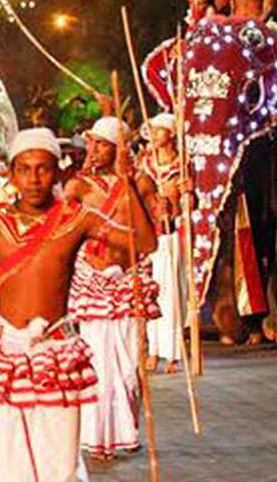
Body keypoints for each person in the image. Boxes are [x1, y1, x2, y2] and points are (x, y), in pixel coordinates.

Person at [0, 127, 155, 482]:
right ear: (11, 174)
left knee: (59, 465)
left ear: (58, 172)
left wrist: (128, 184)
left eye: (43, 169)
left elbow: (145, 244)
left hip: (55, 352)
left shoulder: (77, 218)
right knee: (3, 462)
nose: (34, 179)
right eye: (25, 169)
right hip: (5, 352)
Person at [64, 116, 160, 462]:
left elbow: (153, 237)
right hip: (92, 279)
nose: (93, 150)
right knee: (97, 364)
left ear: (120, 150)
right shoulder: (78, 186)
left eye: (102, 144)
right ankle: (96, 437)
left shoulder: (142, 182)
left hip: (128, 280)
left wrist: (128, 185)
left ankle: (125, 433)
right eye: (91, 143)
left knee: (128, 367)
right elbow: (61, 232)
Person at [139, 113, 187, 374]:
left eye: (160, 130)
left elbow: (192, 203)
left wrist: (187, 194)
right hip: (148, 234)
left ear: (171, 134)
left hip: (170, 234)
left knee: (170, 295)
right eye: (153, 129)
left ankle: (173, 353)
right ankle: (153, 350)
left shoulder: (182, 165)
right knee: (150, 293)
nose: (155, 134)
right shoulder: (144, 163)